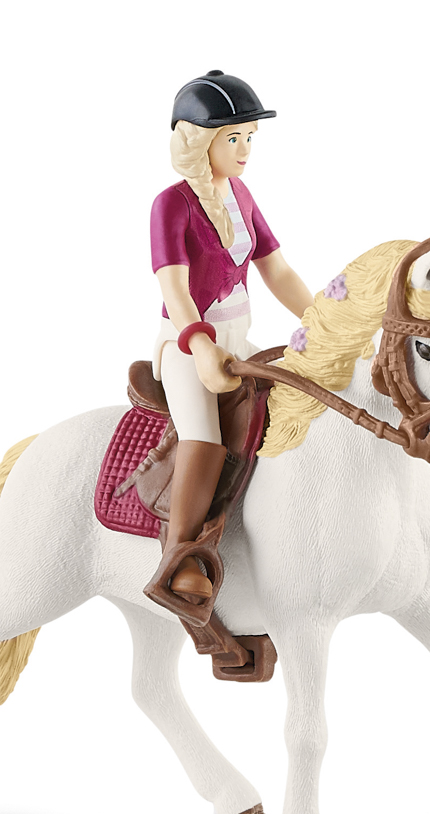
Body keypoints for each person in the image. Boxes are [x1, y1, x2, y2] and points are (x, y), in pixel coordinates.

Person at [151, 70, 313, 601]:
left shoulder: (241, 195)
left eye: (249, 138)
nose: (245, 150)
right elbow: (174, 288)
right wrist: (199, 346)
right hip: (187, 344)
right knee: (205, 437)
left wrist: (321, 318)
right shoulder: (171, 204)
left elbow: (277, 270)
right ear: (201, 141)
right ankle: (178, 559)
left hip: (240, 342)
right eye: (234, 138)